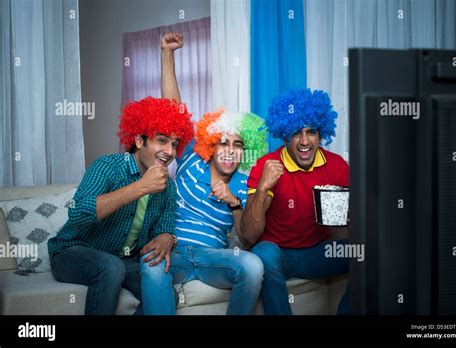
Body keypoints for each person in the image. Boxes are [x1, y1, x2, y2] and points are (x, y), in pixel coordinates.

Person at [47, 33, 194, 315]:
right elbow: (80, 212)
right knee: (110, 267)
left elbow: (165, 226)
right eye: (161, 140)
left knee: (165, 295)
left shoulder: (168, 185)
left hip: (121, 258)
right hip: (72, 251)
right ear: (139, 141)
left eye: (174, 143)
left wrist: (167, 238)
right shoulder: (107, 166)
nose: (170, 150)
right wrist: (141, 187)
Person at [140, 35, 269, 315]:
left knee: (253, 264)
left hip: (214, 258)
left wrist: (233, 201)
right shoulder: (191, 161)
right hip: (173, 251)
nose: (229, 151)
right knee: (149, 264)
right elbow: (173, 109)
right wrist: (167, 54)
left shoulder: (245, 183)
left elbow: (248, 239)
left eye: (237, 145)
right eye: (223, 142)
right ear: (211, 145)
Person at [241, 88, 350, 315]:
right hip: (280, 257)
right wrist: (263, 187)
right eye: (296, 133)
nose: (304, 141)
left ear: (321, 135)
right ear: (285, 136)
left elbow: (346, 228)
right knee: (264, 253)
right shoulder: (266, 165)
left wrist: (352, 218)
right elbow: (249, 236)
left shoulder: (337, 165)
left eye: (311, 132)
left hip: (319, 253)